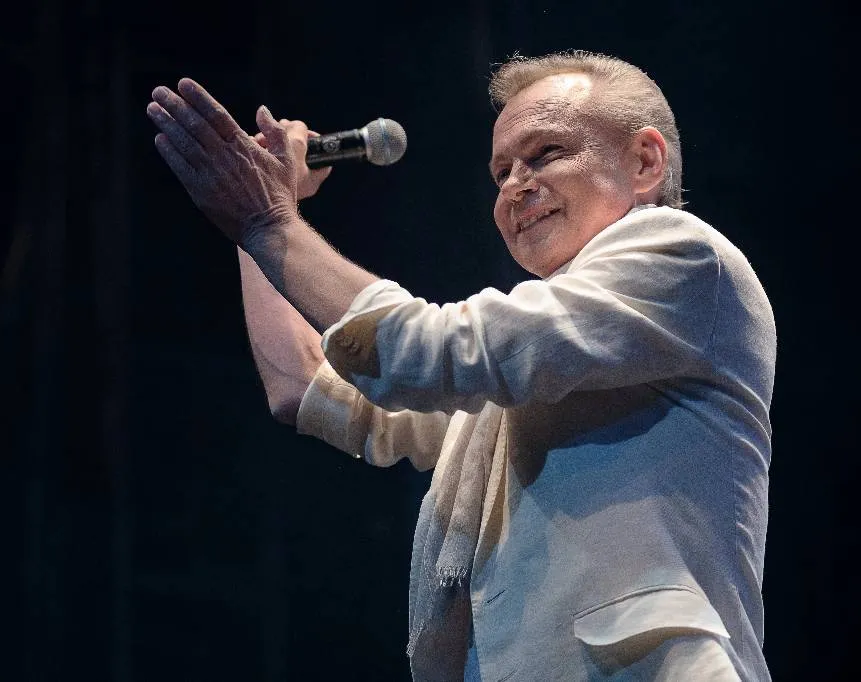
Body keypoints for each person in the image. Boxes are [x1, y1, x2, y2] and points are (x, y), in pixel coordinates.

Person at [146, 50, 776, 681]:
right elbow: (304, 386)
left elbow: (433, 349)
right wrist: (255, 226)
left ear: (643, 162)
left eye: (546, 153)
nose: (515, 186)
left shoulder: (683, 255)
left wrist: (270, 220)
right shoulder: (544, 356)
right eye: (501, 172)